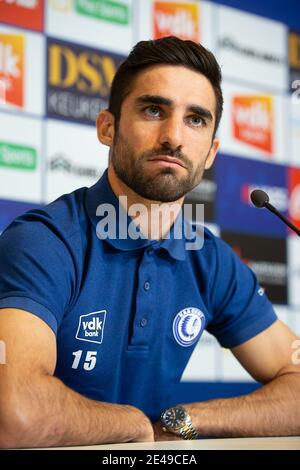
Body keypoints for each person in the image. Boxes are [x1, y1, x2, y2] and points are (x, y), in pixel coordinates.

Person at [0, 36, 299, 448]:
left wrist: (185, 419)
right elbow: (15, 411)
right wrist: (138, 426)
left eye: (195, 119)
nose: (174, 137)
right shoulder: (44, 242)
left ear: (210, 152)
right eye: (154, 109)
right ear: (108, 127)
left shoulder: (210, 260)